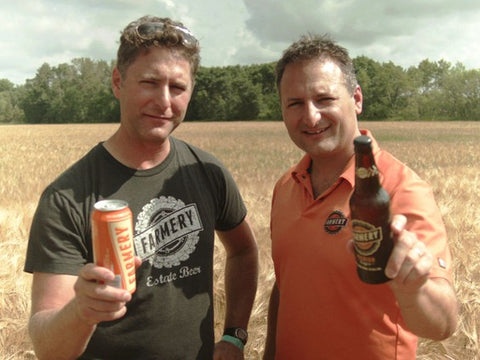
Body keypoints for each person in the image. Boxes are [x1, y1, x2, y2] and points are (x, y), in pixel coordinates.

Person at [24, 15, 258, 360]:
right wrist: (82, 311)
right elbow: (47, 347)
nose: (164, 102)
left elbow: (243, 251)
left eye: (177, 87)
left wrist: (235, 336)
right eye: (150, 82)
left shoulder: (207, 171)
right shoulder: (67, 198)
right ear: (118, 82)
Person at [263, 34, 458, 360]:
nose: (310, 117)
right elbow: (286, 285)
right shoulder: (286, 186)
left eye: (324, 99)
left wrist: (414, 288)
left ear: (356, 99)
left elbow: (444, 324)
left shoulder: (399, 189)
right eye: (295, 103)